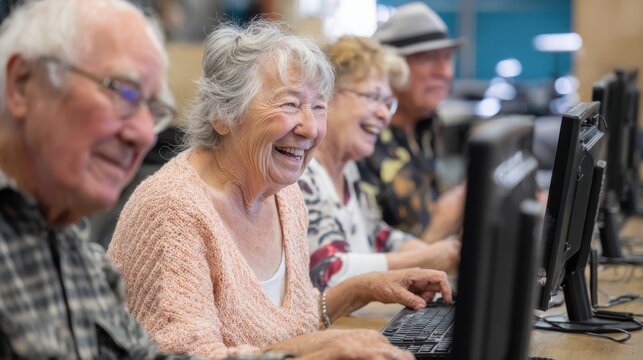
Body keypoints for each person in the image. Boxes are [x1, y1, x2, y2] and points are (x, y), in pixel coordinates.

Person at [107, 20, 452, 359]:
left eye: (318, 107)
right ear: (223, 114)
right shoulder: (173, 211)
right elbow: (189, 356)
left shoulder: (285, 196)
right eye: (289, 104)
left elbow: (286, 326)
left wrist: (365, 287)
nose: (311, 128)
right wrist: (311, 349)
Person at [0, 0, 190, 358]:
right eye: (122, 92)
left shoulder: (80, 254)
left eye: (153, 110)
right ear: (23, 84)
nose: (145, 135)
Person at [298, 36, 460, 290]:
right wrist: (426, 257)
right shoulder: (301, 174)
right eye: (373, 97)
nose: (384, 114)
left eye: (387, 102)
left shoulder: (348, 170)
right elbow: (329, 269)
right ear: (327, 97)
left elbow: (379, 235)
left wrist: (444, 253)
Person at [358, 1, 467, 242]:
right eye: (428, 58)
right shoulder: (363, 140)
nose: (445, 72)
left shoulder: (428, 124)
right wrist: (464, 198)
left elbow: (427, 207)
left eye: (447, 58)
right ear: (391, 68)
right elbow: (385, 260)